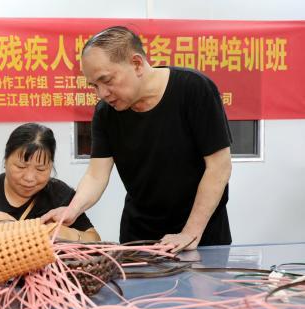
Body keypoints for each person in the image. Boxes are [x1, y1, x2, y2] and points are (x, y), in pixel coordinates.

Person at [42, 26, 232, 252]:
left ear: (137, 64)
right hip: (140, 236)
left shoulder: (194, 89)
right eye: (94, 85)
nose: (102, 93)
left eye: (106, 80)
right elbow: (96, 175)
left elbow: (219, 167)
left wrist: (190, 233)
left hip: (201, 234)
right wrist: (72, 210)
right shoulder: (105, 113)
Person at [0, 123, 100, 242]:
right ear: (5, 160)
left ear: (51, 166)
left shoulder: (60, 194)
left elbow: (95, 239)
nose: (29, 177)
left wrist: (66, 234)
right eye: (21, 167)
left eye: (41, 169)